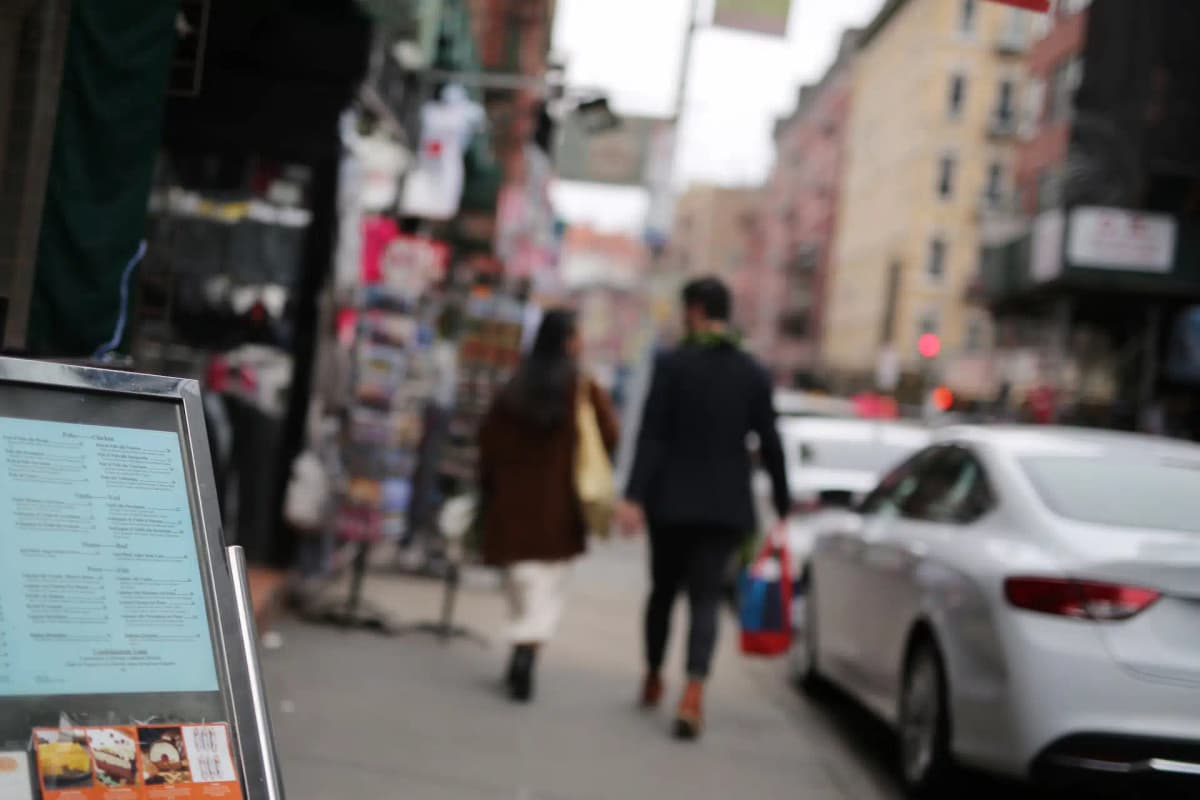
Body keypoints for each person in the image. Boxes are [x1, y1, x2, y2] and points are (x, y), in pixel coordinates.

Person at [618, 277, 790, 740]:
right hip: (723, 507)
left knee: (662, 593)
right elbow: (770, 440)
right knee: (706, 600)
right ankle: (693, 690)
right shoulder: (751, 371)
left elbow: (652, 434)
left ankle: (654, 674)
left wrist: (634, 495)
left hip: (670, 503)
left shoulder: (673, 364)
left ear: (694, 310)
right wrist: (782, 496)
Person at [479, 310, 619, 702]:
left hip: (512, 504)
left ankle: (521, 646)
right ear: (567, 340)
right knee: (547, 588)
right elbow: (610, 435)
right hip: (559, 508)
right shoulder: (582, 388)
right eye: (577, 335)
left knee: (522, 583)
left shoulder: (514, 384)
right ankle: (528, 650)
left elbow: (488, 441)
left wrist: (489, 488)